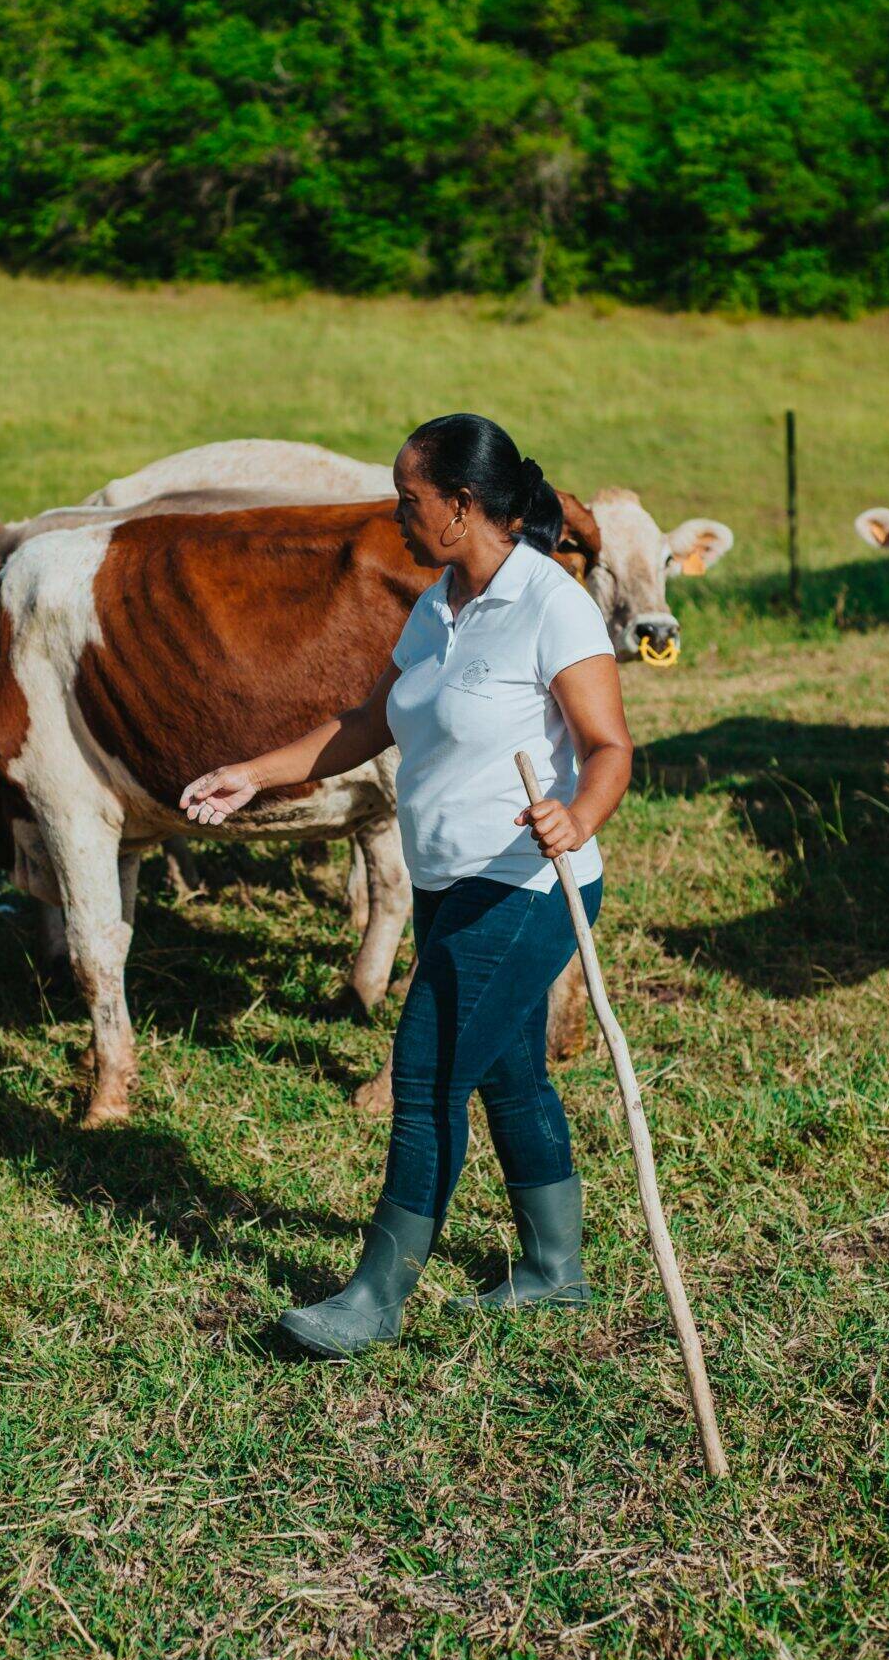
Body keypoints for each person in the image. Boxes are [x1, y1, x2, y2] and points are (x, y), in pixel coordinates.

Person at [180, 413, 633, 1358]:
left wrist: (576, 817)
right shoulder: (439, 605)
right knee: (509, 1074)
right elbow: (369, 720)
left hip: (526, 886)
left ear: (463, 507)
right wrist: (256, 772)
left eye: (409, 500)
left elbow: (607, 750)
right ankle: (556, 1271)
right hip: (447, 884)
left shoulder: (553, 606)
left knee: (425, 1080)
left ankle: (375, 1298)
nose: (397, 515)